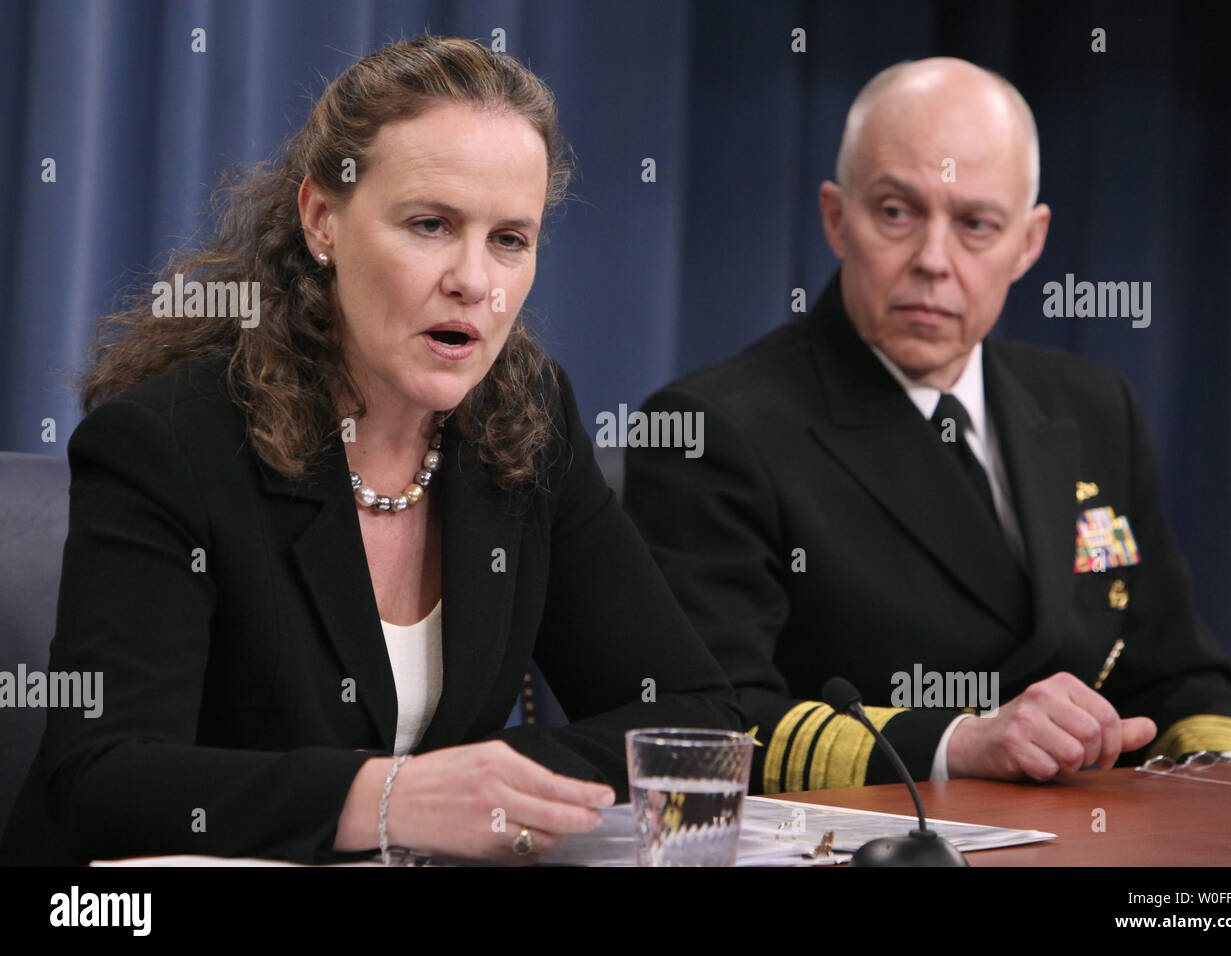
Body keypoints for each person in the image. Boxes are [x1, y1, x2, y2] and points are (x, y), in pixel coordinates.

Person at [0, 36, 741, 866]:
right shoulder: (171, 443)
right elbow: (100, 781)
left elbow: (691, 714)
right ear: (323, 220)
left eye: (510, 240)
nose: (474, 281)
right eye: (431, 225)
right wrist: (389, 800)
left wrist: (484, 790)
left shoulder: (527, 422)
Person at [622, 57, 1231, 794]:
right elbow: (713, 723)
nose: (932, 260)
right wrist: (960, 740)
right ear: (837, 218)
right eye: (896, 212)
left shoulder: (1092, 406)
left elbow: (1176, 673)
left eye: (976, 225)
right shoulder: (714, 429)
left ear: (1029, 242)